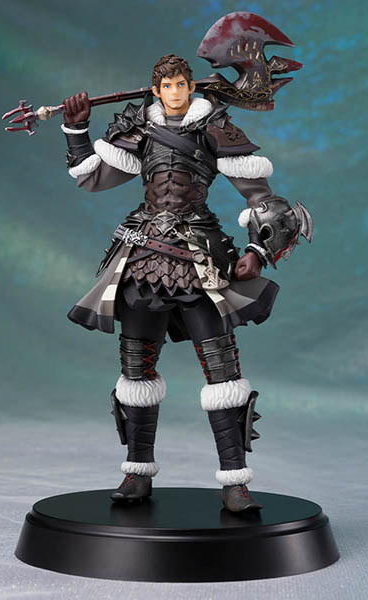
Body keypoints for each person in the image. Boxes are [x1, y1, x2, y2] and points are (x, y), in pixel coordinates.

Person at [60, 54, 304, 512]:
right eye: (167, 86)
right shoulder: (139, 130)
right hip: (143, 257)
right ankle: (136, 472)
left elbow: (264, 198)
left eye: (181, 84)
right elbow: (92, 178)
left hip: (201, 256)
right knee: (135, 369)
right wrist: (76, 129)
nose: (175, 92)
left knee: (222, 371)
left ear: (191, 87)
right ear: (156, 90)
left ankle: (235, 482)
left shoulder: (214, 128)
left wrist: (256, 250)